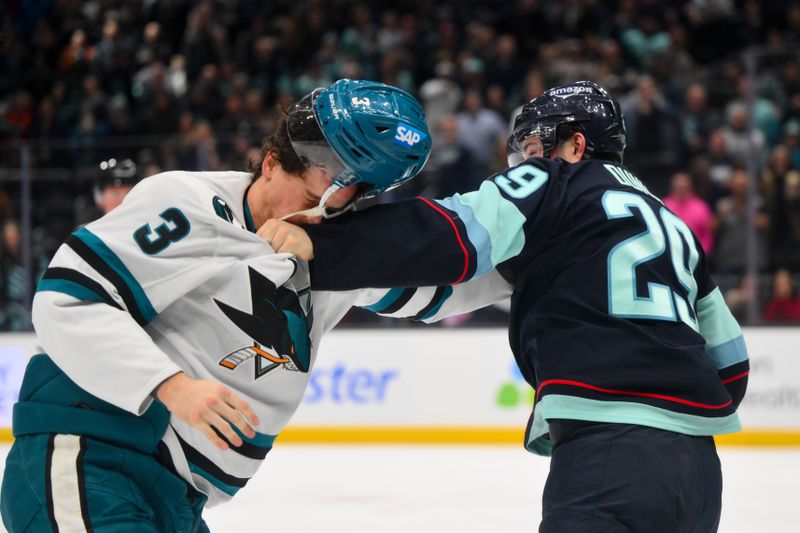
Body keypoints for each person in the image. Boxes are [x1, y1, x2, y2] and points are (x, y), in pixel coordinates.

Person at [0, 79, 510, 532]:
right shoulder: (188, 205)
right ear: (270, 164)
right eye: (312, 195)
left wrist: (551, 245)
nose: (318, 214)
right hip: (94, 460)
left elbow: (448, 284)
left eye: (339, 204)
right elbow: (67, 301)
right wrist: (170, 386)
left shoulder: (329, 252)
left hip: (176, 498)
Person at [263, 81, 749, 532]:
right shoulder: (673, 226)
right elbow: (731, 366)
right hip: (700, 473)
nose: (527, 164)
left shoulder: (558, 184)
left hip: (610, 453)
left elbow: (454, 235)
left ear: (575, 145)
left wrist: (326, 247)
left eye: (536, 150)